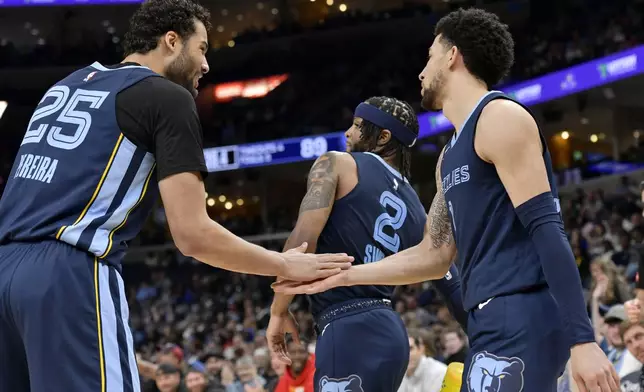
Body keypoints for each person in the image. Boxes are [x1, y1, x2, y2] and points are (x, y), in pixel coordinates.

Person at [0, 0, 352, 391]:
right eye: (201, 48)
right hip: (67, 271)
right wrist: (283, 264)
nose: (206, 65)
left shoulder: (63, 86)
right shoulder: (166, 96)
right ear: (171, 41)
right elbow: (192, 234)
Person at [273, 8, 620, 392]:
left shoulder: (499, 116)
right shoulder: (448, 156)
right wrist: (344, 275)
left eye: (429, 56)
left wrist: (582, 339)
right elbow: (434, 256)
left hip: (522, 310)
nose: (421, 72)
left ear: (452, 55)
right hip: (488, 322)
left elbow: (547, 229)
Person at [267, 96, 466, 392]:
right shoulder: (417, 210)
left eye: (358, 126)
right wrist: (488, 334)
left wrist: (278, 311)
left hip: (346, 327)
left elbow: (302, 241)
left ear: (383, 136)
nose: (348, 132)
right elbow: (450, 281)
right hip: (392, 335)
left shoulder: (337, 163)